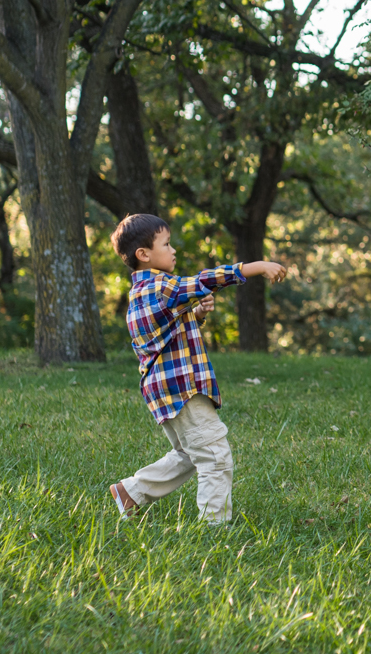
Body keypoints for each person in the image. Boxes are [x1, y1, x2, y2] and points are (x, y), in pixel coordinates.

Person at [107, 213, 288, 525]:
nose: (174, 250)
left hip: (167, 389)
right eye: (167, 244)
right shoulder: (160, 286)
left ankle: (132, 492)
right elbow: (205, 280)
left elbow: (169, 334)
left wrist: (198, 314)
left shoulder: (144, 292)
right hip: (183, 389)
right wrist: (257, 267)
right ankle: (213, 529)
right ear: (144, 254)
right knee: (215, 456)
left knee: (191, 454)